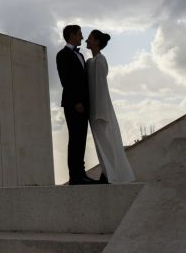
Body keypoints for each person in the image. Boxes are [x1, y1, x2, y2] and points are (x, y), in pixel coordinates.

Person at [85, 29, 135, 184]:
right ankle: (107, 173)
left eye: (89, 38)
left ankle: (110, 174)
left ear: (96, 41)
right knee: (102, 143)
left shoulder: (100, 61)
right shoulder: (91, 62)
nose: (86, 40)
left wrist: (100, 112)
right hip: (95, 109)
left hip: (99, 109)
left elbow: (101, 88)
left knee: (106, 143)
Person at [56, 24, 96, 185]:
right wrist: (77, 102)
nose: (82, 37)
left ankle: (81, 173)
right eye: (79, 34)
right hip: (74, 104)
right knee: (75, 138)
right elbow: (66, 80)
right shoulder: (62, 55)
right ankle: (75, 176)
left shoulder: (80, 55)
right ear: (72, 35)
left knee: (81, 139)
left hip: (84, 104)